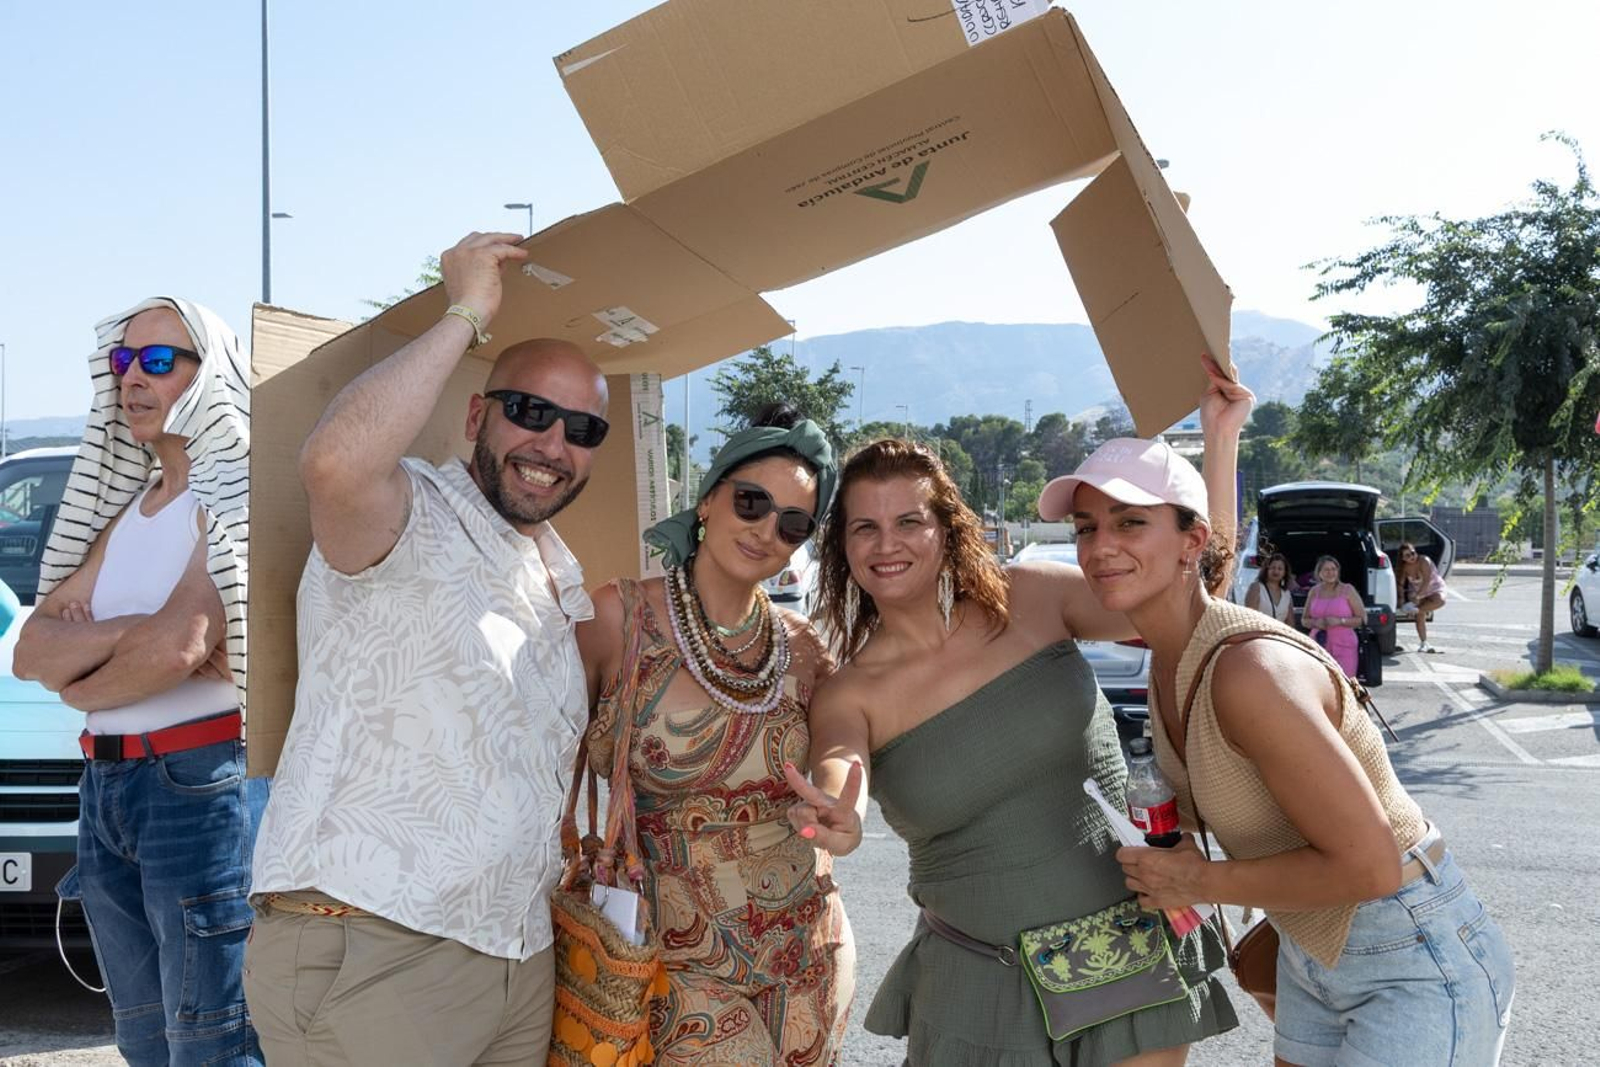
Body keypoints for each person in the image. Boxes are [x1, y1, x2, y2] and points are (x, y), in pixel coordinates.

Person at [786, 357, 1251, 1066]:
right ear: (841, 547)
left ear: (946, 528)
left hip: (1126, 955)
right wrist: (836, 810)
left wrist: (1220, 441)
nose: (888, 544)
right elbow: (839, 764)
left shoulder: (1031, 597)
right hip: (977, 987)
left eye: (909, 520)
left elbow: (1189, 583)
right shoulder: (850, 692)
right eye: (864, 528)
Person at [245, 232, 608, 1065]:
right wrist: (466, 313)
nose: (552, 443)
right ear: (477, 413)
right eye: (530, 411)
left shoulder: (553, 569)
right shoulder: (403, 512)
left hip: (513, 957)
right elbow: (332, 463)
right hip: (374, 953)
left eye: (582, 427)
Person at [1057, 439, 1516, 1067]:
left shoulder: (1250, 672)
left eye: (1130, 522)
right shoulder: (1171, 656)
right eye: (1086, 528)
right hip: (1311, 944)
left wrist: (1199, 879)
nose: (1101, 545)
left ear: (1192, 543)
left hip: (1409, 952)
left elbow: (1372, 867)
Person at [14, 298, 266, 1065]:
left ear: (209, 376)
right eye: (122, 361)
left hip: (197, 788)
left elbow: (181, 644)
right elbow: (30, 651)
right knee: (144, 1042)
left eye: (158, 361)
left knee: (211, 1046)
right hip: (107, 791)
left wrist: (92, 658)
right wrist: (137, 632)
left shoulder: (230, 505)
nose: (131, 378)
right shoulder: (125, 513)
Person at [575, 403, 854, 1065]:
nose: (766, 530)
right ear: (707, 500)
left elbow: (845, 755)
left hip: (809, 949)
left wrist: (845, 804)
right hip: (672, 958)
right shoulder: (618, 618)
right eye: (751, 502)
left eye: (792, 523)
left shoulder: (804, 647)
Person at [1301, 556, 1364, 676]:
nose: (1330, 573)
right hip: (1319, 644)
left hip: (1345, 645)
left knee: (1346, 683)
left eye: (1333, 569)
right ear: (1319, 573)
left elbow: (1361, 619)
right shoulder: (1314, 592)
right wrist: (1315, 623)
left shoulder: (1348, 590)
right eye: (1326, 570)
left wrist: (1340, 621)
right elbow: (1304, 620)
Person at [1395, 541, 1446, 652]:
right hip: (1416, 591)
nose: (1412, 557)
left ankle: (1415, 610)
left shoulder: (1424, 561)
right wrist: (1402, 600)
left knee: (1441, 601)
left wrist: (1417, 597)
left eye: (1413, 553)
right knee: (1420, 617)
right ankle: (1423, 642)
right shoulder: (1404, 567)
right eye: (1407, 555)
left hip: (1434, 588)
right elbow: (1400, 584)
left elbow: (1427, 580)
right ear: (1403, 558)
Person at [1243, 551, 1293, 625]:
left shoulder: (1286, 594)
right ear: (1266, 570)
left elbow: (1290, 622)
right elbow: (1250, 616)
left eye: (1280, 569)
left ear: (1284, 573)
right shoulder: (1256, 588)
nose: (1276, 571)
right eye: (1273, 567)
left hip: (1279, 634)